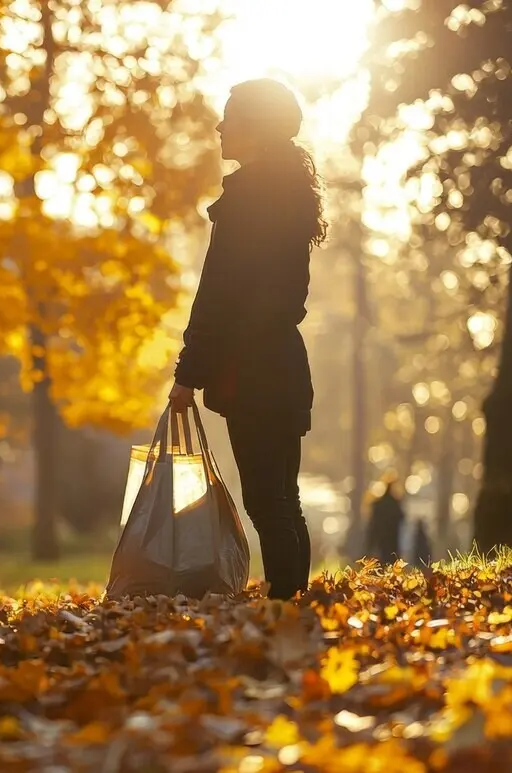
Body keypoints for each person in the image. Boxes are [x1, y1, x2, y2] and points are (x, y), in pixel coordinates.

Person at [167, 78, 325, 601]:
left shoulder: (245, 205)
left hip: (255, 372)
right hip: (285, 363)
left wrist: (188, 374)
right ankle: (295, 600)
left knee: (266, 500)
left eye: (230, 118)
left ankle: (286, 604)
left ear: (254, 131)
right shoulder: (288, 199)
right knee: (285, 497)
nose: (219, 127)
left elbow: (218, 297)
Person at [366, 483, 405, 563]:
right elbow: (402, 517)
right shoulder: (395, 504)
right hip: (392, 537)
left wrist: (370, 543)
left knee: (382, 556)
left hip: (381, 537)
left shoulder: (378, 504)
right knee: (392, 557)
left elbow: (373, 524)